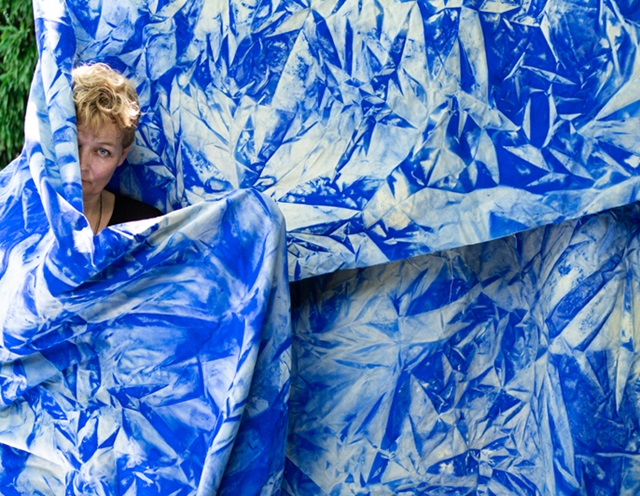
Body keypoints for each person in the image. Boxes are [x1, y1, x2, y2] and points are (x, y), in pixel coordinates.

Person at [72, 63, 162, 234]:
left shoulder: (146, 227)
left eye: (102, 151)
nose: (82, 165)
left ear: (122, 155)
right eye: (75, 145)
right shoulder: (13, 210)